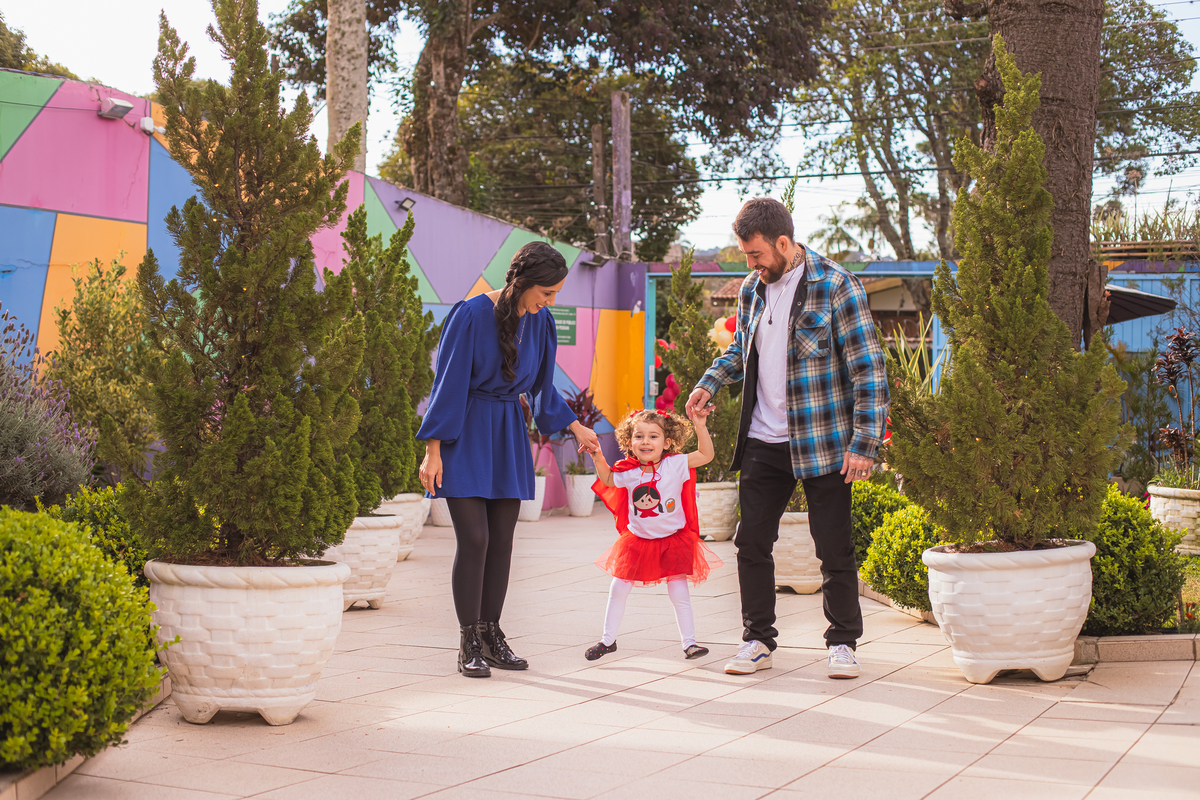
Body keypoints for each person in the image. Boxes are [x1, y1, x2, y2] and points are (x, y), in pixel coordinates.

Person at [684, 197, 889, 680]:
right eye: (745, 256)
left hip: (823, 441)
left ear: (783, 242)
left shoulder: (836, 285)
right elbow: (740, 349)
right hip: (763, 439)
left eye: (756, 255)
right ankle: (757, 640)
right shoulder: (752, 289)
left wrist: (864, 443)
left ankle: (843, 643)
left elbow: (869, 369)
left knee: (833, 547)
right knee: (751, 542)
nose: (751, 265)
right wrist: (709, 382)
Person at [418, 242, 600, 678]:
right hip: (465, 432)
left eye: (555, 294)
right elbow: (448, 384)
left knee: (502, 540)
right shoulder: (469, 315)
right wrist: (433, 451)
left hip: (507, 433)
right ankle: (468, 642)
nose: (550, 302)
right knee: (475, 539)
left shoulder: (542, 322)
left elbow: (542, 388)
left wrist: (576, 426)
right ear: (522, 282)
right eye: (547, 292)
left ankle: (491, 635)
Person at [584, 409, 723, 662]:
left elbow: (706, 455)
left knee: (679, 592)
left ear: (667, 443)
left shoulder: (675, 464)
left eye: (653, 436)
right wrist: (597, 455)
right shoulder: (629, 472)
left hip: (673, 541)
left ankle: (690, 643)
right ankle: (607, 640)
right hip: (637, 542)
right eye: (639, 436)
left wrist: (701, 425)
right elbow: (608, 478)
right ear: (629, 443)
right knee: (618, 588)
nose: (645, 441)